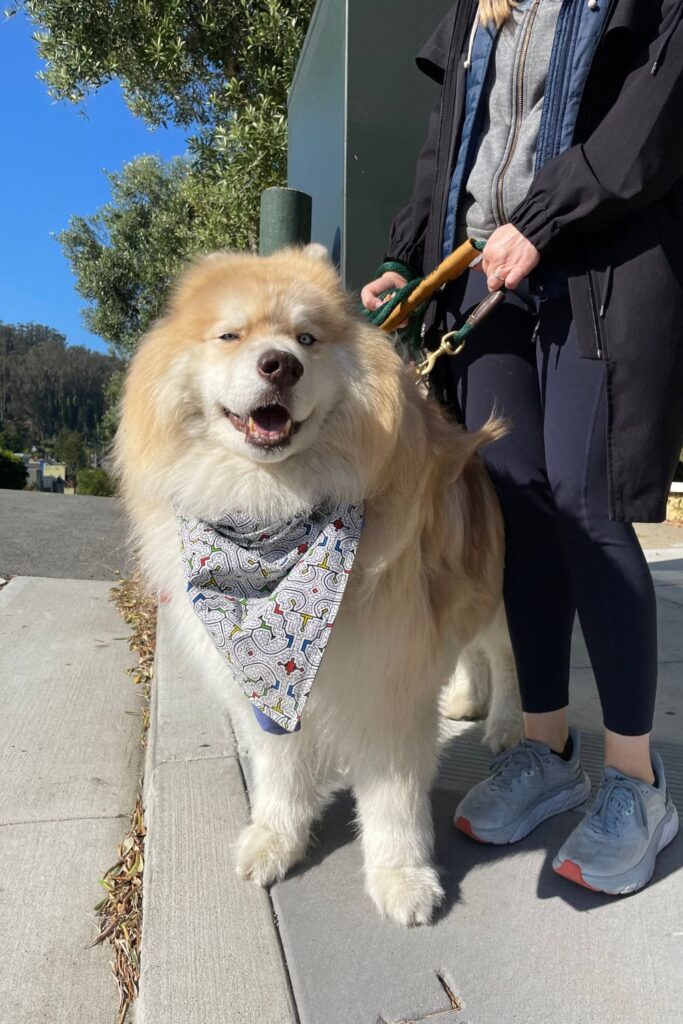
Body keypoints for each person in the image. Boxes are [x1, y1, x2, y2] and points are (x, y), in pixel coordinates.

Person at [361, 0, 683, 894]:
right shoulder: (478, 7)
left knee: (590, 510)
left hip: (599, 266)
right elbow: (446, 149)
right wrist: (406, 257)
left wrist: (541, 218)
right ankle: (545, 749)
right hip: (480, 282)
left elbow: (649, 131)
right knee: (519, 516)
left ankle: (635, 782)